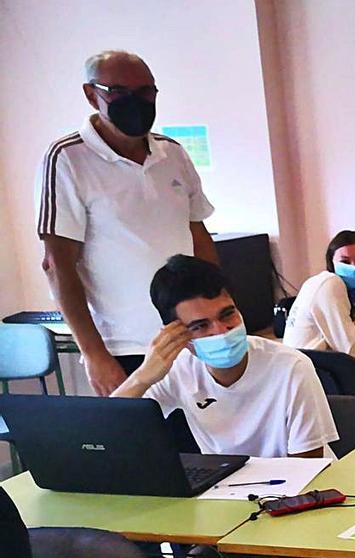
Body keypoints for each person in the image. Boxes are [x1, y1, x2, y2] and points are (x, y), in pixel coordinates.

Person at [112, 254, 338, 558]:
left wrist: (238, 521)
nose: (222, 331)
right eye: (200, 326)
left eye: (227, 315)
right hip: (222, 517)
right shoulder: (177, 370)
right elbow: (106, 430)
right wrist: (145, 374)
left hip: (300, 511)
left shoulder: (291, 367)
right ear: (175, 336)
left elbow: (307, 472)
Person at [38, 50, 219, 396]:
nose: (136, 102)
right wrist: (95, 355)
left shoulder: (174, 154)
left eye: (146, 92)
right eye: (120, 92)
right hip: (126, 350)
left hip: (192, 338)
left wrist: (219, 316)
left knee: (210, 447)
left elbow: (199, 237)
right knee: (147, 447)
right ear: (92, 95)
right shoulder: (67, 159)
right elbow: (57, 264)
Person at [283, 230, 355, 397]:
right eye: (345, 261)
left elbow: (354, 348)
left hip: (319, 382)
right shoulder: (331, 283)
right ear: (331, 261)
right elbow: (349, 348)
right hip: (319, 387)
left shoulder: (320, 283)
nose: (353, 267)